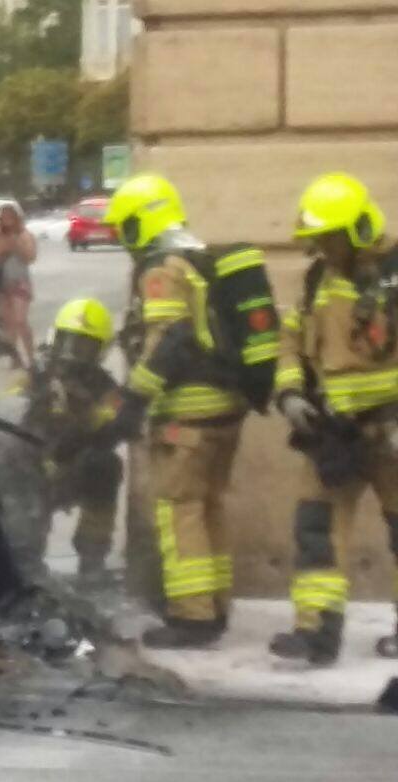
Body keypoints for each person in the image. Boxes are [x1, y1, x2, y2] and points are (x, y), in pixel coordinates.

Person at [100, 173, 247, 650]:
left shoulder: (162, 268)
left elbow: (168, 340)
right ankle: (216, 604)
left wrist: (133, 400)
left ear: (143, 221)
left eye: (124, 227)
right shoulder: (198, 256)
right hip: (224, 406)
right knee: (209, 507)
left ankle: (192, 616)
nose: (123, 239)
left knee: (178, 509)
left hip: (188, 410)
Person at [270, 173, 398, 665]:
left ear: (358, 229)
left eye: (332, 236)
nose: (324, 246)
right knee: (316, 527)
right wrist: (289, 393)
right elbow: (290, 342)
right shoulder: (315, 280)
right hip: (335, 432)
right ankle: (316, 633)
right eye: (319, 238)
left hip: (390, 429)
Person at [23, 298, 123, 581]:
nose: (72, 353)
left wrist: (90, 417)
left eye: (84, 346)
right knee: (19, 471)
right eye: (67, 341)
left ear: (101, 350)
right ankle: (26, 558)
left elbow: (113, 425)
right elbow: (6, 412)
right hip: (32, 466)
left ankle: (92, 559)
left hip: (72, 467)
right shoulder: (34, 374)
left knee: (106, 465)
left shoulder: (104, 387)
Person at [0, 204, 38, 368]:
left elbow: (31, 256)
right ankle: (14, 358)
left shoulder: (24, 234)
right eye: (3, 218)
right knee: (9, 324)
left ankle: (31, 357)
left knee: (20, 321)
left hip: (20, 282)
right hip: (3, 283)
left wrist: (16, 244)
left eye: (10, 217)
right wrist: (2, 248)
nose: (6, 221)